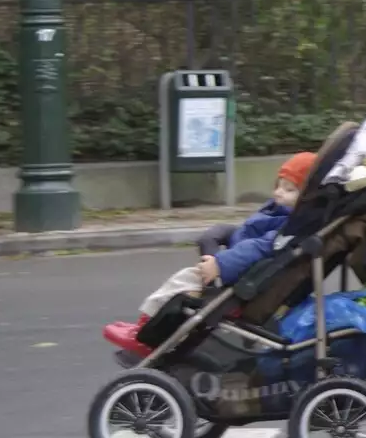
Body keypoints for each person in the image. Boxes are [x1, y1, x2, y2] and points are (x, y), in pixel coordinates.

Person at [102, 151, 317, 365]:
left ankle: (145, 334)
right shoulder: (280, 213)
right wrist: (229, 235)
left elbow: (259, 247)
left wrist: (220, 265)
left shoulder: (290, 224)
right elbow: (251, 235)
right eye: (278, 186)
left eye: (289, 190)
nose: (279, 193)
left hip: (247, 278)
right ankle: (150, 329)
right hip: (246, 269)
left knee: (183, 281)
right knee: (188, 287)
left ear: (306, 197)